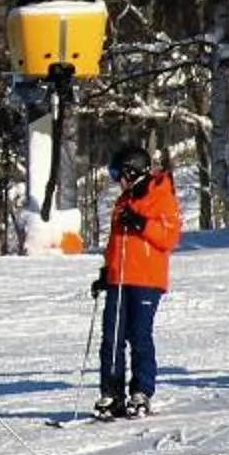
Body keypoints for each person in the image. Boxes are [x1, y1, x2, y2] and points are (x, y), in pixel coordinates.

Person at [90, 141, 183, 419]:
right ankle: (112, 393)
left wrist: (142, 224)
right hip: (119, 278)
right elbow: (115, 243)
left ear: (132, 172)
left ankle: (141, 392)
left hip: (146, 279)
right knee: (112, 337)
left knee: (139, 335)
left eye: (119, 174)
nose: (117, 182)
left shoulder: (160, 196)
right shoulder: (123, 202)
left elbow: (170, 237)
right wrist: (106, 272)